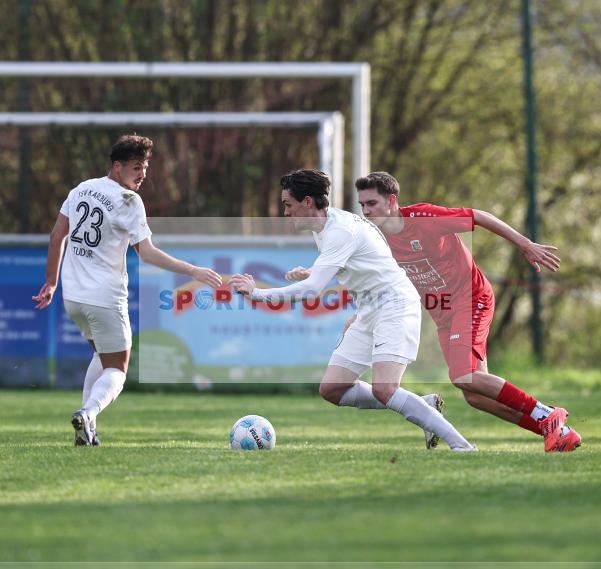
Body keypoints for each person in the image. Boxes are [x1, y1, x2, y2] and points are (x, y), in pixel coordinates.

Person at [230, 169, 475, 452]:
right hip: (370, 310)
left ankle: (462, 446)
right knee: (332, 389)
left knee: (385, 389)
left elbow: (311, 292)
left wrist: (257, 293)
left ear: (308, 202)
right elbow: (362, 259)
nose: (285, 212)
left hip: (395, 306)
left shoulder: (338, 231)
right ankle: (423, 406)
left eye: (288, 204)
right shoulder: (326, 227)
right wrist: (313, 272)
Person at [351, 171, 581, 452]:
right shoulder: (377, 240)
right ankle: (559, 432)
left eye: (371, 204)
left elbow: (478, 216)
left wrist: (525, 245)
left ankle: (545, 413)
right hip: (444, 311)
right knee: (475, 395)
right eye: (362, 205)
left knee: (464, 376)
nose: (365, 211)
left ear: (392, 201)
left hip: (471, 298)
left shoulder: (424, 219)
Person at [33, 134, 222, 446]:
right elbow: (146, 253)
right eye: (136, 167)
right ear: (117, 167)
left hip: (73, 299)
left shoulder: (81, 189)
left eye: (145, 167)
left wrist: (51, 282)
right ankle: (88, 414)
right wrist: (193, 270)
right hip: (105, 298)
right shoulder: (129, 201)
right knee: (118, 369)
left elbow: (56, 237)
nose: (142, 174)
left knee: (101, 354)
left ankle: (86, 428)